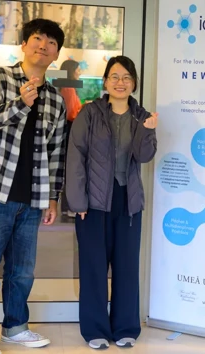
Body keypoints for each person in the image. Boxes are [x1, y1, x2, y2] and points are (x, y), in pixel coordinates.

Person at [0, 18, 66, 354]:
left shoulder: (55, 99)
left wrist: (53, 198)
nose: (43, 45)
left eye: (51, 42)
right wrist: (20, 103)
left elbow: (56, 153)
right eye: (37, 38)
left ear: (55, 54)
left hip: (32, 197)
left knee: (22, 271)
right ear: (24, 45)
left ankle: (15, 327)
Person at [66, 55, 158, 350]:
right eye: (115, 77)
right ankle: (94, 329)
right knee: (93, 266)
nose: (121, 83)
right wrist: (78, 201)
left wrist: (148, 129)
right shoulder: (90, 113)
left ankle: (125, 328)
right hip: (93, 201)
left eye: (127, 77)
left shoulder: (141, 115)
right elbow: (76, 156)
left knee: (127, 266)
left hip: (128, 201)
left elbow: (144, 156)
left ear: (134, 83)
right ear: (105, 82)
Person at [58, 59, 83, 217]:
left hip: (67, 129)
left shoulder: (66, 87)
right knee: (71, 169)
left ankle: (67, 206)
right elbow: (71, 112)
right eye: (78, 70)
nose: (79, 73)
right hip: (70, 130)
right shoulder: (68, 88)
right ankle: (69, 207)